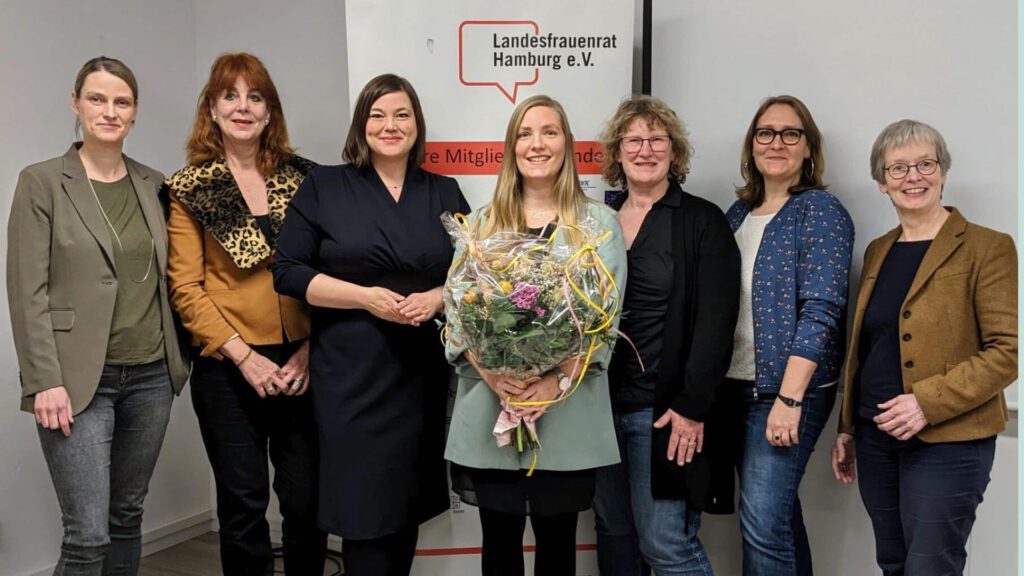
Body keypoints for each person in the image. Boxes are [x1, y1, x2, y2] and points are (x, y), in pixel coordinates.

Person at [271, 73, 468, 576]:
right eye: (377, 115)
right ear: (361, 125)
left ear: (417, 124)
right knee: (362, 515)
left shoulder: (443, 191)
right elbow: (288, 272)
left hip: (418, 375)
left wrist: (436, 297)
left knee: (403, 510)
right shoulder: (325, 186)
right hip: (349, 379)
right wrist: (364, 299)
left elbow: (475, 276)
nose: (390, 125)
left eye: (402, 114)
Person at [6, 56, 190, 575]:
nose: (109, 111)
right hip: (77, 382)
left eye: (122, 102)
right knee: (87, 535)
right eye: (97, 99)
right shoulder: (42, 182)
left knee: (127, 517)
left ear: (134, 113)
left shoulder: (155, 184)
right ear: (76, 104)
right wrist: (44, 380)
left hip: (152, 377)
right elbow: (27, 291)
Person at [443, 94, 627, 576]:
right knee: (498, 547)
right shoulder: (481, 224)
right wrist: (495, 377)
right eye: (525, 133)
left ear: (566, 144)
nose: (537, 143)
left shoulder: (599, 225)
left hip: (565, 416)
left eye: (549, 131)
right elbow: (457, 316)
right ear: (511, 147)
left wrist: (553, 384)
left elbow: (603, 325)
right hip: (491, 409)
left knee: (557, 547)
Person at [830, 119, 1017, 575]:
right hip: (876, 438)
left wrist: (925, 404)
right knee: (893, 563)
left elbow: (1006, 351)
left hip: (948, 441)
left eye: (925, 164)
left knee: (931, 567)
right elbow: (866, 347)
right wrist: (849, 426)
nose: (913, 177)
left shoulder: (987, 247)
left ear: (943, 172)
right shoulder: (878, 250)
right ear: (881, 183)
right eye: (898, 169)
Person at [164, 53, 326, 576]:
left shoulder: (308, 180)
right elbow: (186, 287)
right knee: (242, 505)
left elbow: (330, 271)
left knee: (306, 501)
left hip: (304, 360)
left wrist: (308, 349)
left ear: (270, 111)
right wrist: (244, 358)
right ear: (211, 108)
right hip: (228, 367)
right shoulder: (191, 187)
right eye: (230, 96)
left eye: (255, 97)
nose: (243, 107)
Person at [592, 95, 740, 576]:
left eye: (657, 140)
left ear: (674, 153)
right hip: (597, 411)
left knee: (666, 547)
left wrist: (692, 408)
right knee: (614, 539)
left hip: (664, 415)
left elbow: (717, 322)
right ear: (616, 153)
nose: (645, 149)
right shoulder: (598, 222)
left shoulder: (702, 221)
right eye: (633, 140)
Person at [724, 95, 854, 575]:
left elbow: (822, 311)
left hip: (783, 391)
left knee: (762, 525)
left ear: (808, 149)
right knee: (774, 519)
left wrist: (790, 398)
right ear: (752, 146)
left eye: (790, 133)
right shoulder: (736, 215)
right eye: (765, 133)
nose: (776, 142)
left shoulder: (819, 211)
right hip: (735, 386)